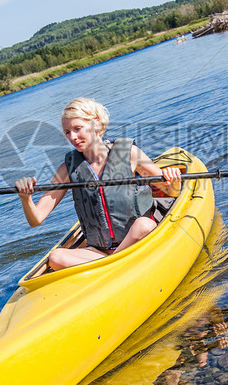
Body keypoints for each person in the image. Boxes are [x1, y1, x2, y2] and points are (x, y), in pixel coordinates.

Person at [15, 97, 181, 270]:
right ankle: (114, 264)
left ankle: (108, 266)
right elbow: (36, 219)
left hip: (139, 239)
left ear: (96, 123)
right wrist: (25, 198)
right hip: (98, 252)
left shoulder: (130, 154)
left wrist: (173, 178)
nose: (72, 137)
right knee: (56, 257)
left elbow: (171, 191)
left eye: (77, 129)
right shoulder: (67, 169)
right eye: (67, 132)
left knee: (144, 225)